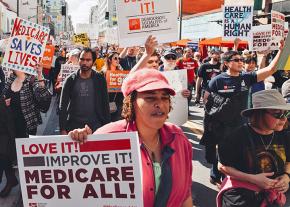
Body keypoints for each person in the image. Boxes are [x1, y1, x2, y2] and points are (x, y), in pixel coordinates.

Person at [69, 69, 193, 207]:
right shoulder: (108, 137)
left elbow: (185, 196)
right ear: (131, 102)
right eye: (150, 98)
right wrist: (79, 145)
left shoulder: (179, 139)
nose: (160, 103)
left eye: (164, 97)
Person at [202, 41, 284, 186]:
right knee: (222, 156)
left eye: (241, 59)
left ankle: (234, 178)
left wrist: (281, 51)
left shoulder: (247, 77)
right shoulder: (217, 81)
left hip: (242, 125)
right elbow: (206, 100)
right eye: (237, 60)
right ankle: (216, 177)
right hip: (223, 127)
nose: (241, 62)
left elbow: (271, 69)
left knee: (238, 154)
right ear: (226, 63)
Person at [217, 89, 290, 207]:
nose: (284, 119)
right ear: (259, 113)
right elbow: (222, 166)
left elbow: (288, 161)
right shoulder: (236, 137)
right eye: (278, 114)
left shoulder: (285, 135)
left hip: (274, 197)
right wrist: (253, 179)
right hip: (242, 198)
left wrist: (286, 177)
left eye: (285, 114)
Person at [59, 48, 110, 135]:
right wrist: (63, 129)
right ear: (79, 60)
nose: (84, 62)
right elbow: (62, 106)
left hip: (96, 126)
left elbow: (105, 104)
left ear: (93, 62)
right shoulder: (70, 80)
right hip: (74, 127)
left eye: (88, 60)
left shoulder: (100, 79)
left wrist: (107, 127)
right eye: (82, 59)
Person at [102, 52, 124, 121]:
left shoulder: (120, 73)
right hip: (104, 105)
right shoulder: (102, 73)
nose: (118, 60)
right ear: (109, 60)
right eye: (115, 58)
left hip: (117, 106)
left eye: (118, 58)